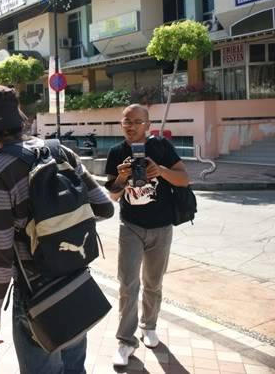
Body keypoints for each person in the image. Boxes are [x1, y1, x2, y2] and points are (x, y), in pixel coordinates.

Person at [0, 85, 114, 374]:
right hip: (75, 280)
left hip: (36, 293)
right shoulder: (59, 150)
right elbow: (104, 208)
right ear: (18, 119)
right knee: (75, 368)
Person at [104, 104, 189, 367]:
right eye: (126, 122)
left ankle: (149, 326)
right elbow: (113, 195)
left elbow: (184, 179)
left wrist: (161, 171)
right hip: (130, 226)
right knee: (128, 284)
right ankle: (125, 341)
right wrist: (120, 177)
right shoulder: (117, 152)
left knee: (153, 282)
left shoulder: (162, 147)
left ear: (148, 124)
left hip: (162, 227)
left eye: (136, 122)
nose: (130, 127)